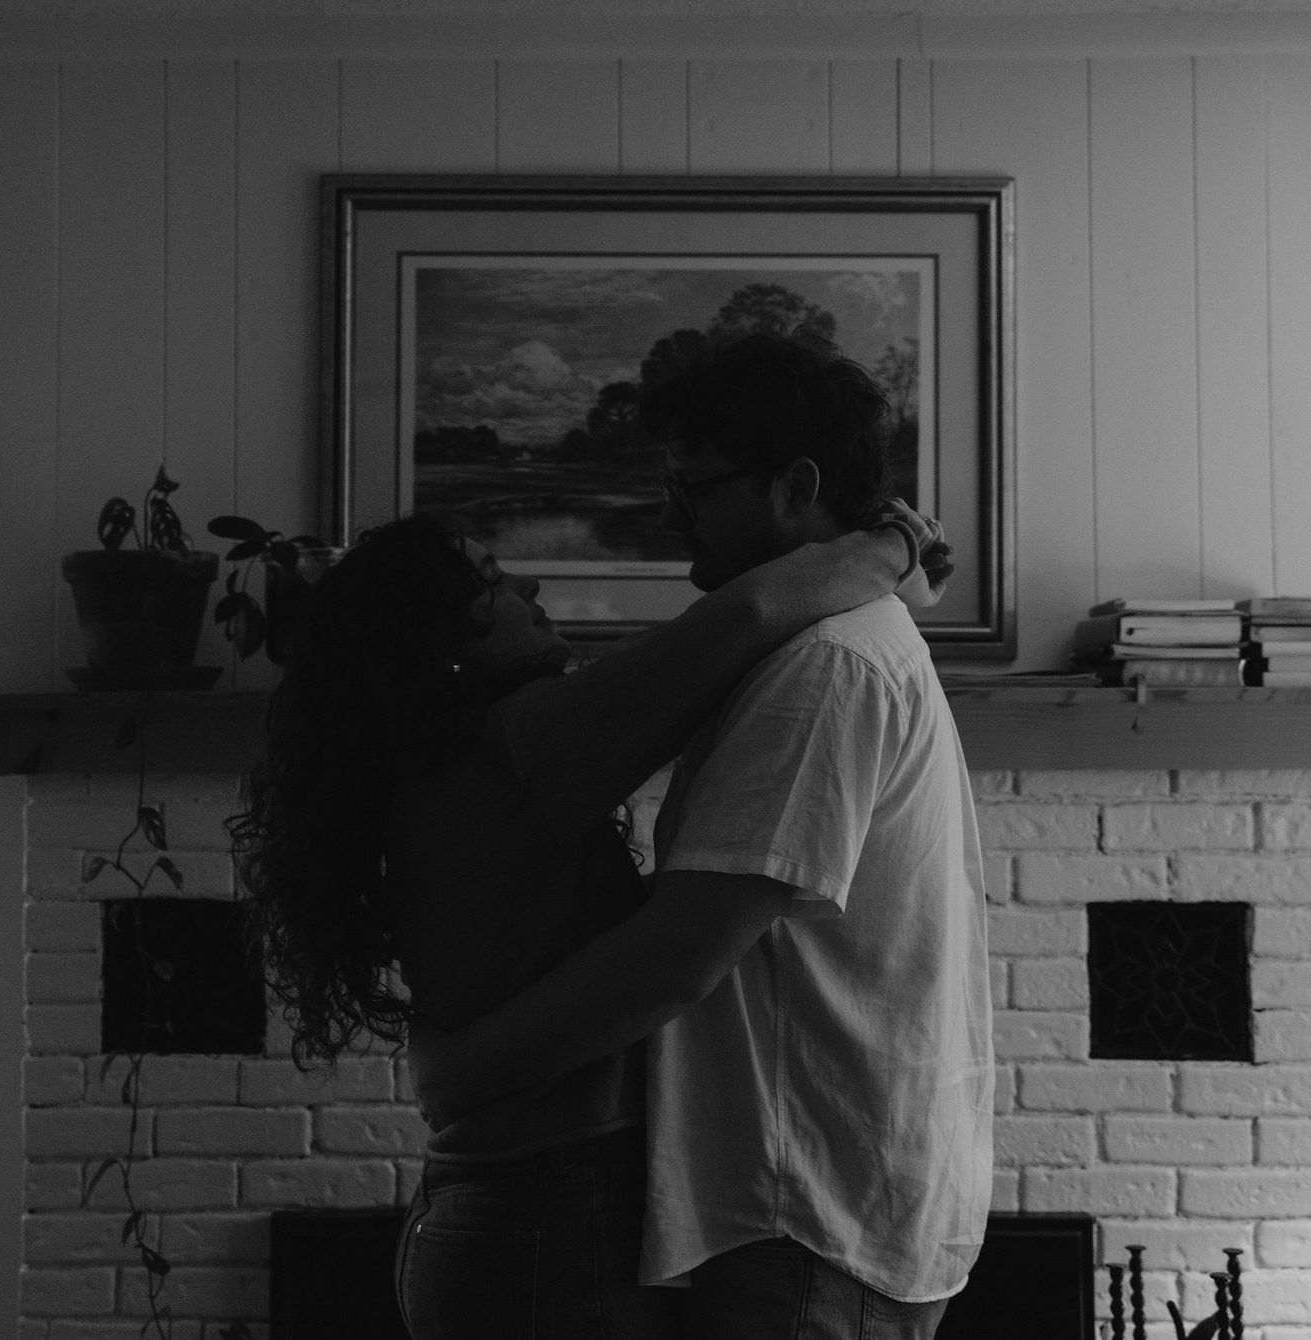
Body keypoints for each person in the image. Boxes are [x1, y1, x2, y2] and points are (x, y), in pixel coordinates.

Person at [233, 485, 950, 1340]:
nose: (530, 593)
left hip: (501, 1213)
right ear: (442, 645)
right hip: (545, 1221)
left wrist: (460, 1075)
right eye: (495, 584)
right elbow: (748, 615)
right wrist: (896, 546)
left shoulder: (448, 769)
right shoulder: (515, 751)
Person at [411, 330, 995, 1340]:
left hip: (807, 1217)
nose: (667, 507)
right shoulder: (804, 643)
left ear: (793, 486)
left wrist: (458, 1076)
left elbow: (677, 955)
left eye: (695, 483)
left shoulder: (825, 667)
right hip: (808, 1200)